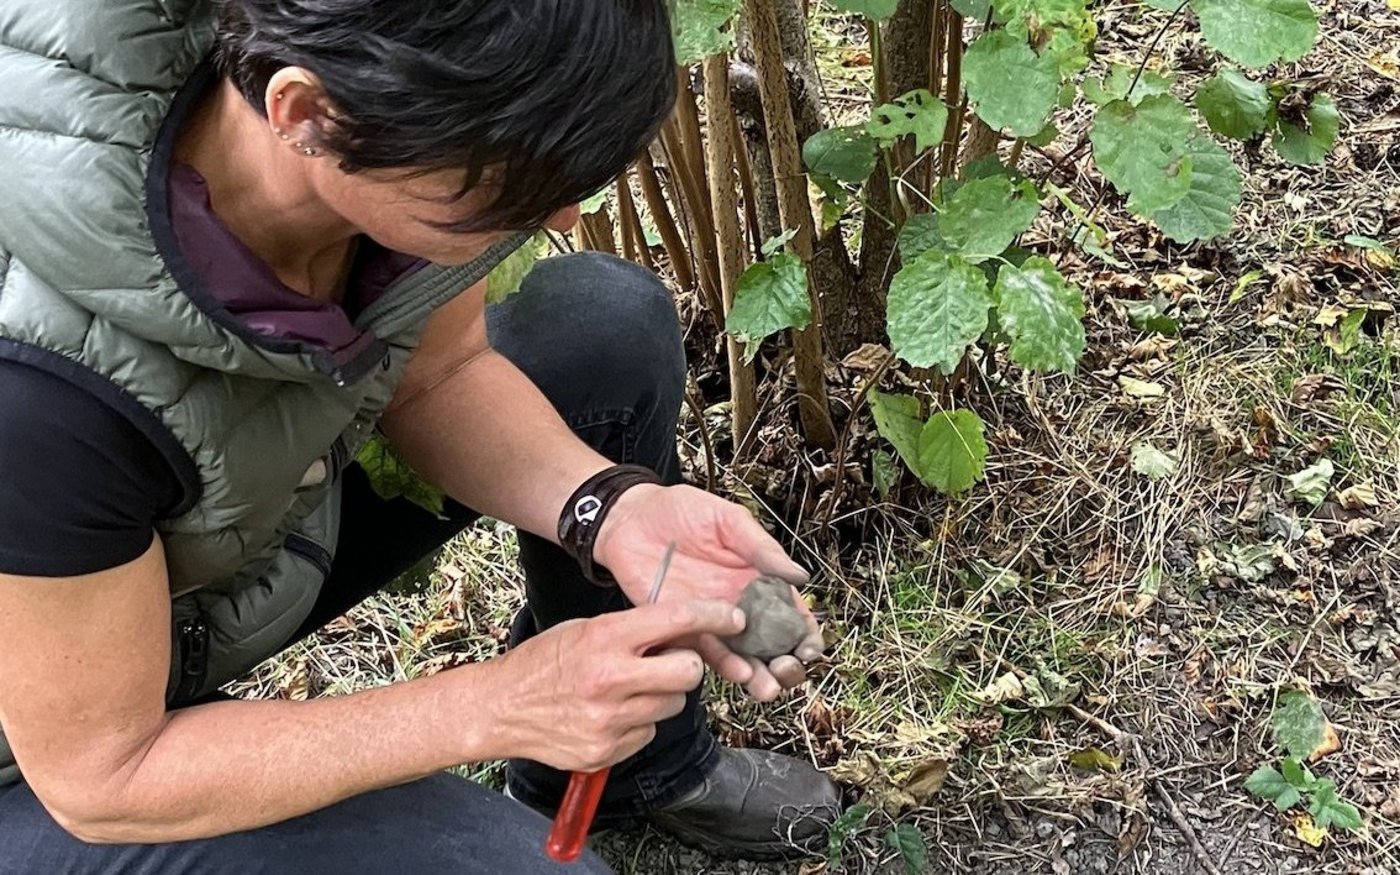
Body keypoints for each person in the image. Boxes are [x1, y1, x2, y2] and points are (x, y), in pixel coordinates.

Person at [0, 1, 843, 872]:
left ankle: (630, 774)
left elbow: (440, 374)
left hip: (188, 575)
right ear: (305, 112)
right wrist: (497, 704)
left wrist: (611, 510)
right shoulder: (41, 385)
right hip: (57, 756)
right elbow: (106, 776)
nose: (560, 215)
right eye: (509, 179)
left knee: (600, 328)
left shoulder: (367, 104)